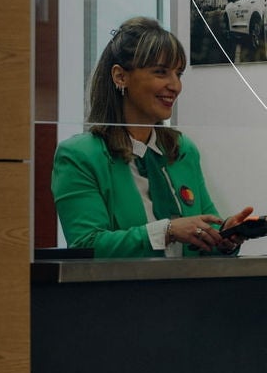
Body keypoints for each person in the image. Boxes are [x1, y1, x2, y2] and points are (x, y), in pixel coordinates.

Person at [52, 17, 254, 258]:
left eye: (178, 74)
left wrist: (224, 237)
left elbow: (202, 239)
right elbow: (87, 245)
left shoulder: (183, 149)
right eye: (161, 72)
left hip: (191, 293)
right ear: (120, 76)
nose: (175, 85)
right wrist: (167, 231)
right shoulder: (79, 155)